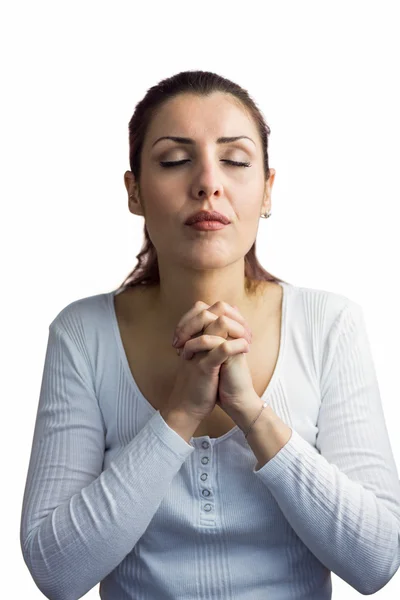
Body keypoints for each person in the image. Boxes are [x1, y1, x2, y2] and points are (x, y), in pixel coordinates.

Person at [20, 70, 400, 600]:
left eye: (236, 160)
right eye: (175, 160)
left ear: (267, 190)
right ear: (134, 192)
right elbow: (57, 575)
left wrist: (251, 411)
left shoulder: (329, 325)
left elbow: (376, 562)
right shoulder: (82, 335)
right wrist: (179, 413)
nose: (207, 183)